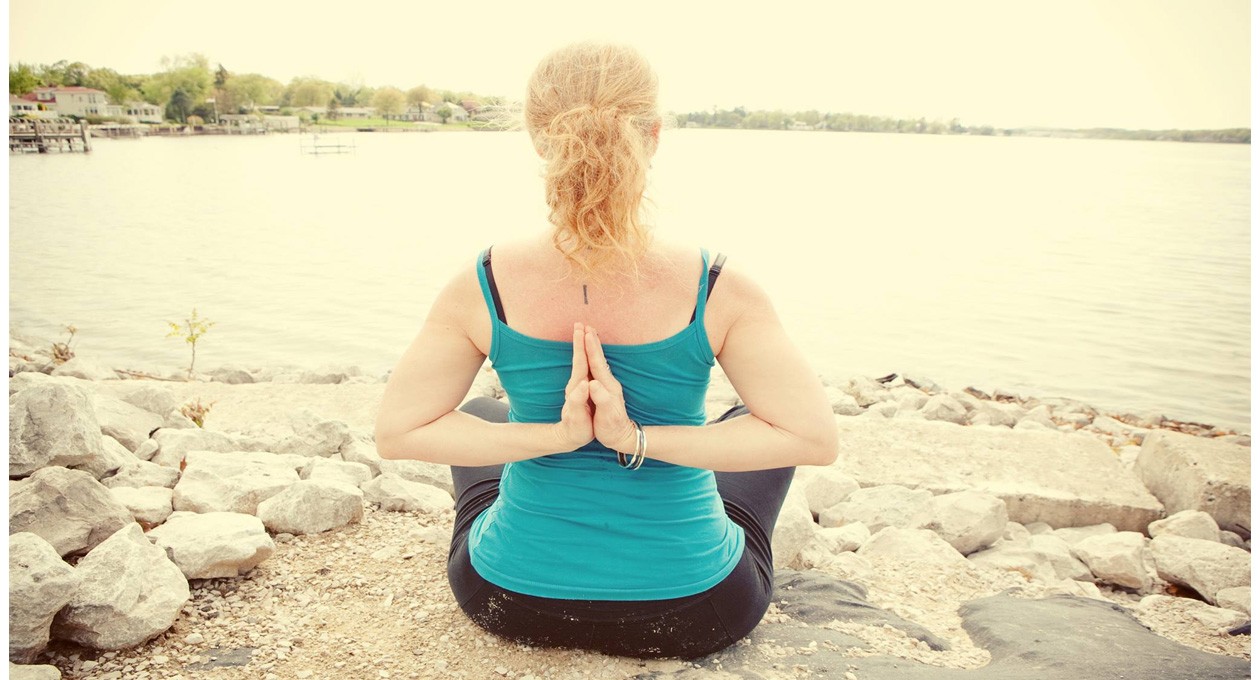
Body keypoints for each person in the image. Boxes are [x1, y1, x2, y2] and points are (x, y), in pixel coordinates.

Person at [375, 42, 838, 660]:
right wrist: (637, 440)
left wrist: (551, 436)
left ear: (539, 139)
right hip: (695, 610)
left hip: (511, 601)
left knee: (485, 418)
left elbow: (399, 433)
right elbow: (813, 439)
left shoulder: (481, 282)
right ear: (653, 134)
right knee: (756, 431)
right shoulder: (720, 285)